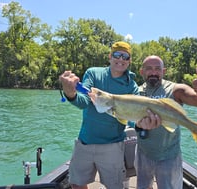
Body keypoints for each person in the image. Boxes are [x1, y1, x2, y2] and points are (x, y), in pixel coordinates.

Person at [59, 42, 160, 189]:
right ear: (110, 56)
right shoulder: (93, 73)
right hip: (85, 142)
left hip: (113, 146)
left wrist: (141, 125)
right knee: (77, 183)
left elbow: (132, 121)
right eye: (117, 54)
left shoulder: (131, 86)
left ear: (129, 60)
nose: (121, 59)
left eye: (125, 56)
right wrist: (70, 93)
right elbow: (84, 102)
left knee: (114, 186)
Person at [134, 55, 197, 189]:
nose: (153, 72)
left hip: (168, 156)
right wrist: (138, 126)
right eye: (149, 69)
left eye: (157, 69)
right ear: (142, 71)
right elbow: (130, 121)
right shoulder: (135, 92)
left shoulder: (176, 90)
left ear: (164, 71)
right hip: (142, 153)